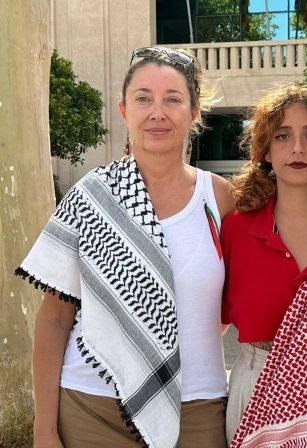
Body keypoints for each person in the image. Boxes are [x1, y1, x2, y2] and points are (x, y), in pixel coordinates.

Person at [16, 46, 235, 448]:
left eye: (173, 99)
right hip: (91, 409)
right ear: (124, 110)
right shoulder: (90, 197)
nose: (158, 112)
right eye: (143, 99)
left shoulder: (220, 199)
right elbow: (55, 319)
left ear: (194, 112)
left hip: (197, 407)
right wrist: (44, 429)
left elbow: (232, 303)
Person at [221, 84, 307, 447]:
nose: (298, 148)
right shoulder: (236, 230)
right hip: (257, 388)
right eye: (283, 136)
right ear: (266, 152)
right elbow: (213, 325)